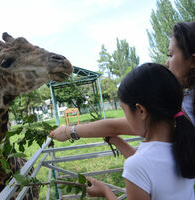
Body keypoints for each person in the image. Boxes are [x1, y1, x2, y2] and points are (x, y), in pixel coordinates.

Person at [49, 21, 195, 141]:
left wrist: (70, 131)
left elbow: (116, 126)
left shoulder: (185, 108)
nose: (166, 63)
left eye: (171, 55)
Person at [86, 63, 194, 199]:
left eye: (124, 111)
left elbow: (145, 167)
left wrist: (105, 191)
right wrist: (118, 141)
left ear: (140, 110)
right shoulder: (186, 144)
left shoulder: (138, 165)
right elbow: (152, 168)